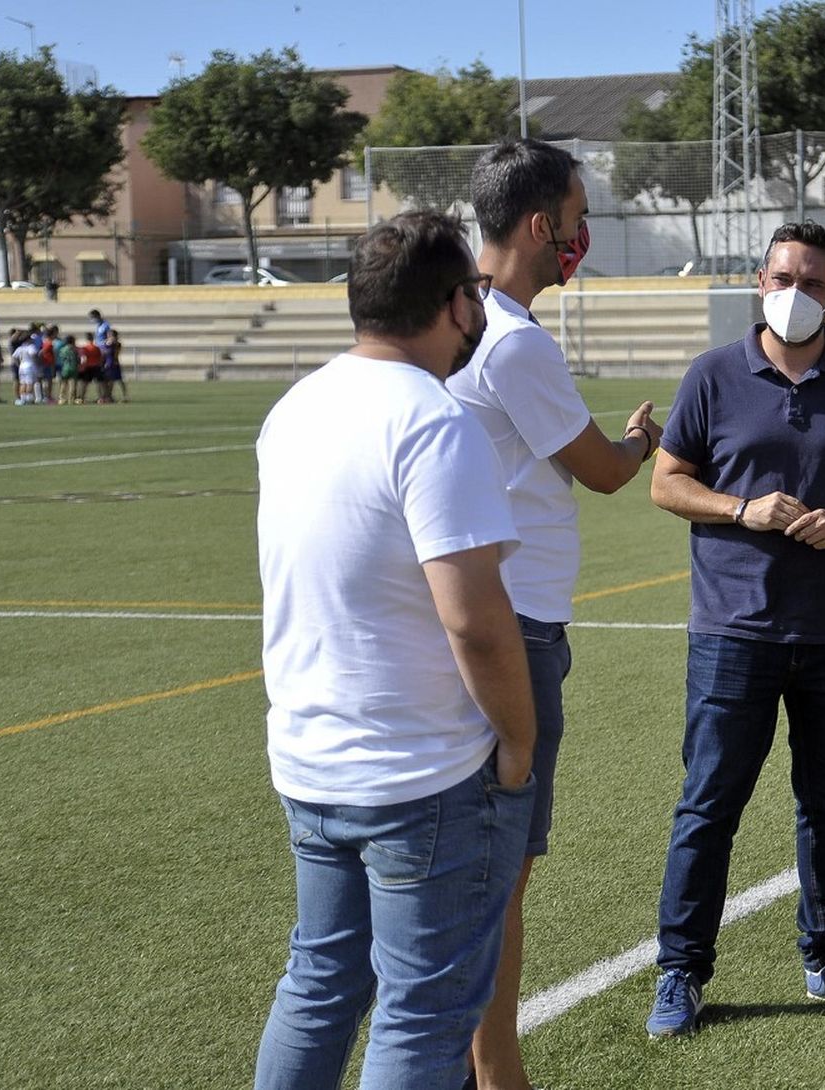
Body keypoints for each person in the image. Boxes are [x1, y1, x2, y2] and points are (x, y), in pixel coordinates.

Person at [253, 210, 537, 1090]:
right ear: (455, 304)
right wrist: (520, 742)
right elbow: (476, 621)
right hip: (419, 770)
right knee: (424, 1011)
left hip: (311, 759)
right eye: (474, 297)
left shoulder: (296, 406)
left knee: (319, 986)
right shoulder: (435, 422)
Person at [645, 221, 825, 1038]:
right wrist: (741, 507)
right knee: (708, 806)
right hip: (734, 631)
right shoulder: (712, 375)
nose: (793, 293)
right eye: (780, 277)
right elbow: (667, 483)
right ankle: (681, 972)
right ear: (757, 282)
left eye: (811, 282)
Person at [446, 137, 663, 1090]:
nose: (581, 238)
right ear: (540, 225)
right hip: (517, 623)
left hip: (466, 607)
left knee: (459, 867)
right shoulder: (516, 339)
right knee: (502, 874)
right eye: (577, 220)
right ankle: (497, 1073)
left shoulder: (449, 320)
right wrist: (644, 438)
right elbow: (605, 474)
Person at [76, 332, 103, 403]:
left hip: (87, 367)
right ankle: (100, 398)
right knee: (98, 383)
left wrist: (81, 367)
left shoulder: (85, 348)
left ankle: (81, 397)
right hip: (96, 367)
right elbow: (100, 358)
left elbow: (83, 359)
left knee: (84, 383)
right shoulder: (96, 348)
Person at [55, 333, 79, 404]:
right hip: (73, 367)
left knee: (63, 383)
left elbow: (61, 358)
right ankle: (71, 399)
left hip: (65, 367)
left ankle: (62, 398)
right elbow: (77, 358)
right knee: (73, 384)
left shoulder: (63, 349)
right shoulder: (75, 349)